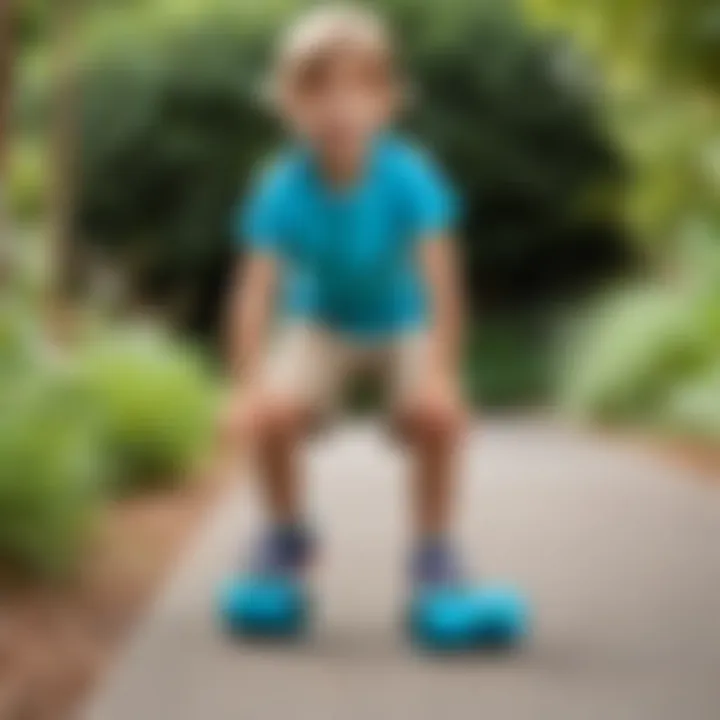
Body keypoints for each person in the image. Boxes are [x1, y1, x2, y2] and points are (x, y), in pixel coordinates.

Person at [221, 3, 482, 642]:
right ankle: (286, 536)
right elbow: (253, 294)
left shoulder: (409, 176)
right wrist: (249, 386)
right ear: (288, 104)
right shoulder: (281, 187)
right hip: (321, 324)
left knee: (438, 419)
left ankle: (434, 555)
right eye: (316, 91)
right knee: (271, 414)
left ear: (386, 101)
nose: (338, 107)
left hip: (401, 323)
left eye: (358, 89)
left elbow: (444, 283)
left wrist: (442, 377)